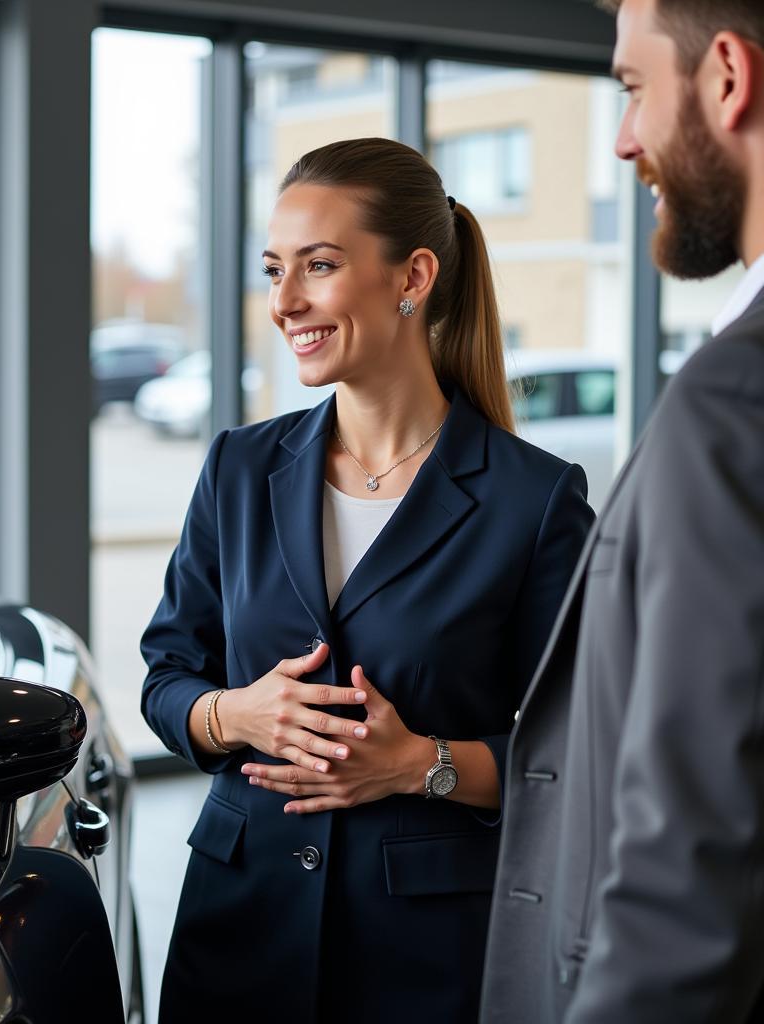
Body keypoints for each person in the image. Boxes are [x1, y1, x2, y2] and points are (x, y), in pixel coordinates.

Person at [141, 137, 593, 1023]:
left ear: (412, 275)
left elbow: (579, 757)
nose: (284, 302)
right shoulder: (238, 468)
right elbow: (166, 676)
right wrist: (235, 714)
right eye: (274, 269)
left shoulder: (534, 500)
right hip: (237, 934)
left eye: (319, 266)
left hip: (426, 956)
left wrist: (418, 766)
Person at [480, 1, 764, 1021]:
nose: (622, 138)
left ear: (725, 78)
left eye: (633, 88)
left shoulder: (732, 400)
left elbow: (690, 868)